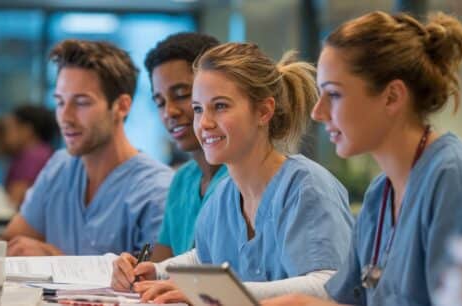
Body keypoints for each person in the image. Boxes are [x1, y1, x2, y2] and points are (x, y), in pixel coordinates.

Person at [263, 11, 462, 306]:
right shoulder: (380, 194)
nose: (317, 113)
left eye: (334, 95)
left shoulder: (457, 181)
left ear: (392, 97)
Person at [111, 42, 354, 303]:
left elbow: (328, 284)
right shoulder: (224, 195)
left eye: (221, 106)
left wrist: (211, 292)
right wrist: (156, 271)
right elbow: (205, 256)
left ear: (263, 111)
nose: (204, 123)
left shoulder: (307, 187)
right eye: (198, 109)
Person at [2, 40, 174, 256]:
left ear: (121, 106)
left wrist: (56, 261)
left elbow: (150, 282)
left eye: (82, 102)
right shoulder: (59, 167)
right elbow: (12, 243)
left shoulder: (157, 190)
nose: (65, 117)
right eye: (60, 102)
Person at [143, 32, 228, 262]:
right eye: (160, 102)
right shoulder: (183, 180)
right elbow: (159, 268)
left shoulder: (241, 178)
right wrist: (135, 272)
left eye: (181, 95)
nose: (169, 111)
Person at [3, 105, 58, 208]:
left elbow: (16, 197)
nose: (6, 134)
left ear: (27, 130)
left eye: (10, 128)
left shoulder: (34, 156)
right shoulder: (37, 152)